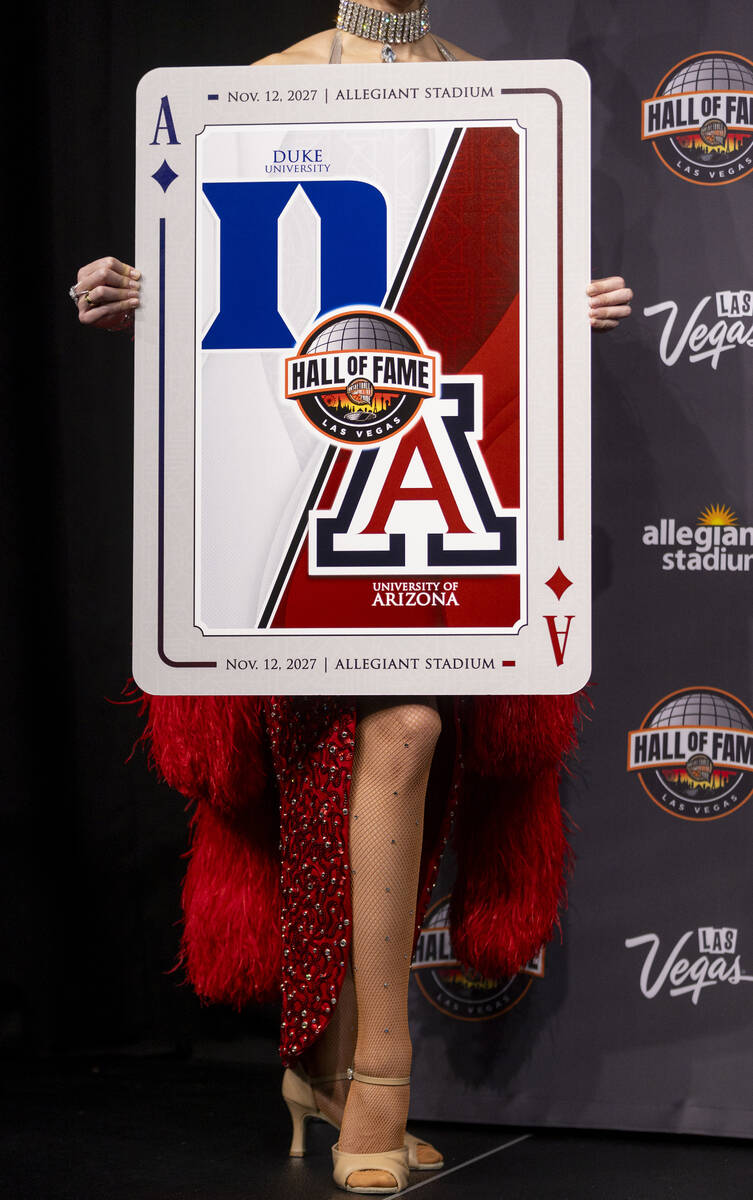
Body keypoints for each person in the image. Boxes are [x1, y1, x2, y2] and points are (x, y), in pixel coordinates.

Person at [71, 2, 632, 1194]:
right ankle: (375, 1073)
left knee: (404, 757)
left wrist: (554, 313)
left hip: (428, 486)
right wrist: (149, 299)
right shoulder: (268, 81)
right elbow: (248, 297)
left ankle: (327, 1069)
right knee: (370, 749)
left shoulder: (492, 88)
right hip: (294, 497)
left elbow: (477, 298)